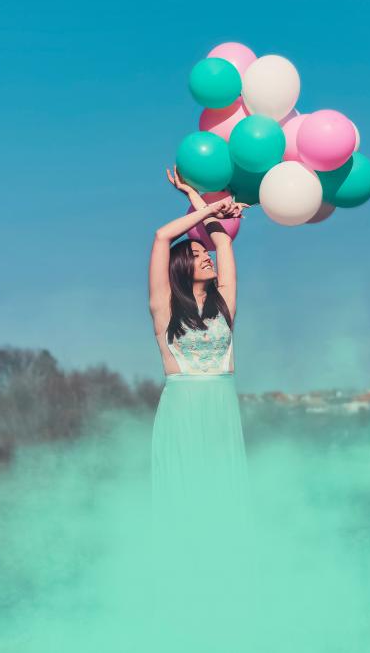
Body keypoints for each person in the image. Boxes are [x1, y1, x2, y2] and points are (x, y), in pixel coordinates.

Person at [148, 167, 255, 652]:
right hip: (184, 408)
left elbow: (224, 243)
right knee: (186, 501)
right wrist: (207, 207)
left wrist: (201, 200)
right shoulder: (164, 310)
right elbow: (161, 234)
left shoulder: (225, 302)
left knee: (223, 503)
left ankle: (226, 604)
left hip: (220, 409)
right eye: (196, 254)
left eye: (203, 250)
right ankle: (181, 604)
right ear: (179, 269)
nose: (206, 254)